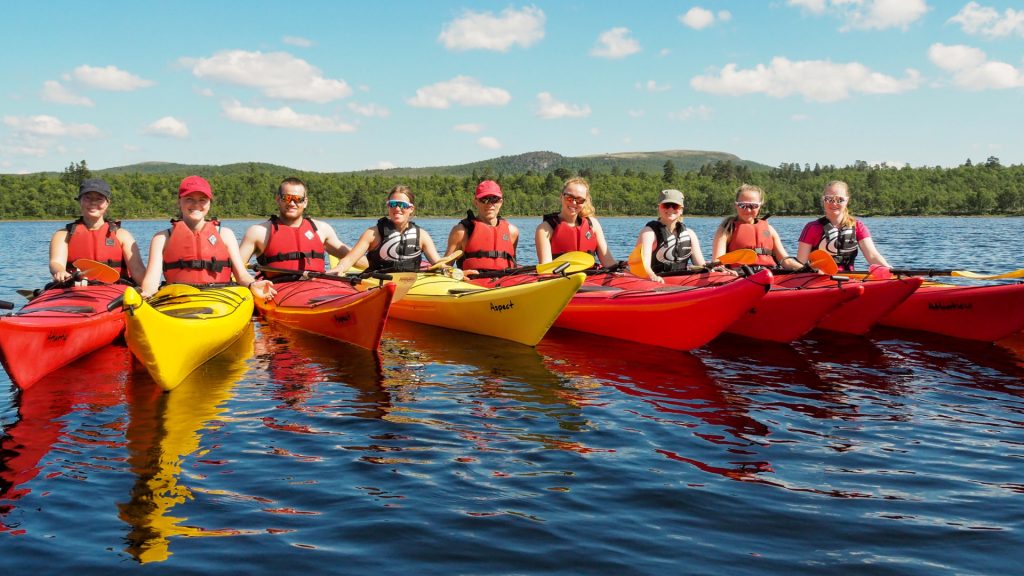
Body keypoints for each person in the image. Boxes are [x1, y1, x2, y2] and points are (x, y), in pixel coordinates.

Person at [138, 175, 274, 299]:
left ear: (209, 204)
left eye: (202, 200)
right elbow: (151, 281)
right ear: (179, 201)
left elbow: (241, 275)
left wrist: (252, 284)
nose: (196, 205)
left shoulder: (225, 235)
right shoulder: (162, 238)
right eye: (189, 199)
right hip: (178, 300)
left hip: (219, 299)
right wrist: (145, 294)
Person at [239, 177, 365, 278]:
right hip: (277, 291)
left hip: (318, 288)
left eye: (298, 199)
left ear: (305, 202)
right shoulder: (258, 232)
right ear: (278, 199)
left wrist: (374, 264)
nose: (292, 203)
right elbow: (235, 269)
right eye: (287, 198)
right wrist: (252, 284)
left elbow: (356, 260)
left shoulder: (321, 229)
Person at [48, 178, 147, 284]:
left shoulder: (122, 235)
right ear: (80, 201)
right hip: (76, 288)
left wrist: (149, 288)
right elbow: (56, 262)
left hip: (115, 290)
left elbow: (138, 270)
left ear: (107, 203)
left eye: (99, 199)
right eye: (87, 198)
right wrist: (60, 271)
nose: (93, 202)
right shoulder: (63, 235)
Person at [327, 185, 443, 274]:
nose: (397, 208)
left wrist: (447, 269)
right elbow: (349, 260)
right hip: (378, 283)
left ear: (411, 208)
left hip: (411, 283)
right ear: (388, 206)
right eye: (393, 204)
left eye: (402, 205)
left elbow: (437, 262)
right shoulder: (372, 234)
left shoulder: (422, 235)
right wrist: (340, 268)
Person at [796, 180, 890, 272]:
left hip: (849, 278)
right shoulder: (812, 228)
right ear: (823, 200)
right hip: (817, 278)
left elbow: (872, 256)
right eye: (829, 199)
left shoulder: (858, 226)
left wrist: (891, 270)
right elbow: (801, 263)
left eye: (839, 200)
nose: (834, 203)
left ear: (846, 201)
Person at [712, 184, 804, 271]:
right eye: (742, 205)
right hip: (740, 274)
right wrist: (724, 271)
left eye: (753, 206)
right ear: (736, 205)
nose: (748, 210)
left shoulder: (770, 230)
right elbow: (718, 263)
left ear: (760, 206)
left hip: (770, 273)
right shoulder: (727, 229)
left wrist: (806, 269)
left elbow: (786, 261)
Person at [535, 177, 617, 268]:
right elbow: (546, 267)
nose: (574, 203)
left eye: (579, 200)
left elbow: (609, 263)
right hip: (559, 275)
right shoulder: (545, 229)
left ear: (584, 202)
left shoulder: (593, 224)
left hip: (590, 275)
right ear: (561, 197)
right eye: (569, 198)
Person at [632, 189, 709, 283]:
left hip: (682, 282)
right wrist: (652, 276)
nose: (670, 209)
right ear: (659, 208)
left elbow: (700, 264)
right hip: (657, 281)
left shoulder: (690, 234)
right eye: (666, 205)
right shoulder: (648, 233)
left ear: (681, 210)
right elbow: (643, 265)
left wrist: (711, 269)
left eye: (675, 206)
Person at [444, 180, 519, 273]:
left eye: (494, 199)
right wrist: (460, 274)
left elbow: (513, 265)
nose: (489, 204)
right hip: (473, 280)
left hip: (505, 280)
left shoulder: (512, 232)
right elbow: (444, 269)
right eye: (484, 199)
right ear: (476, 202)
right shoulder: (461, 231)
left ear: (500, 202)